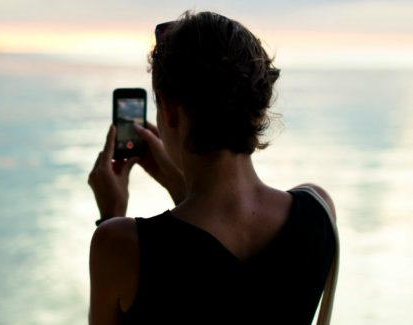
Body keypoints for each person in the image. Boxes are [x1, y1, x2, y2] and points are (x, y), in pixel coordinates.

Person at [87, 11, 338, 324]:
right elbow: (230, 283)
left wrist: (111, 214)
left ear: (168, 109)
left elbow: (199, 264)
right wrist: (180, 186)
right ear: (257, 109)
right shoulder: (317, 211)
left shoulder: (120, 244)